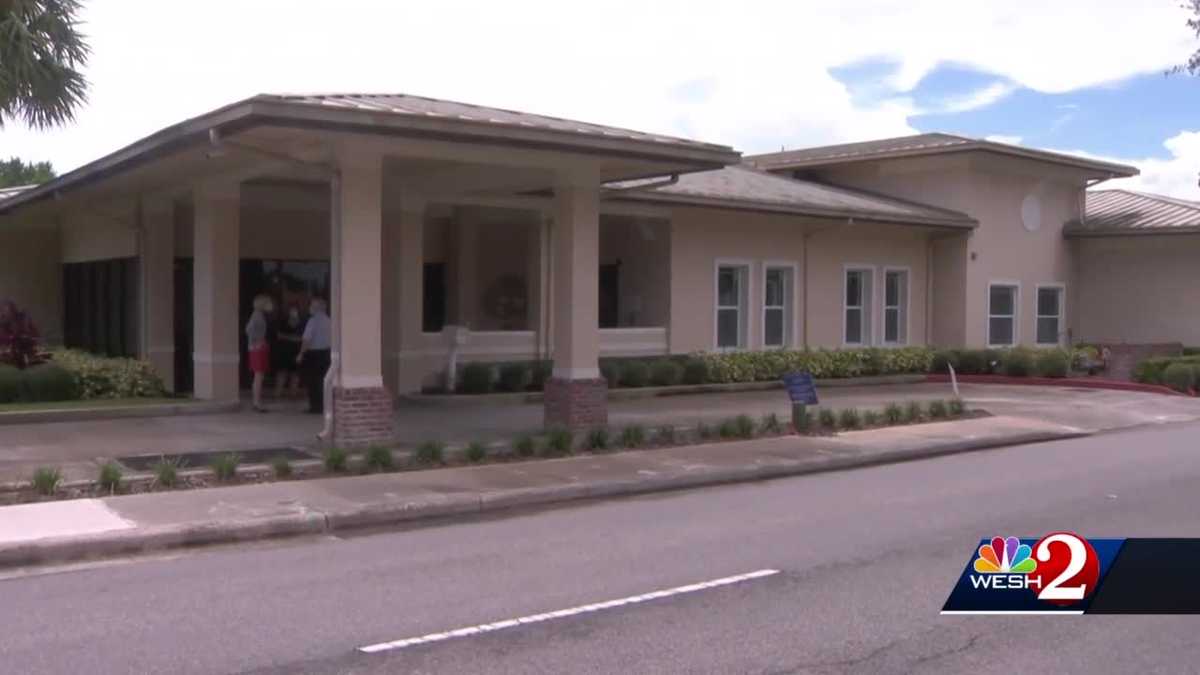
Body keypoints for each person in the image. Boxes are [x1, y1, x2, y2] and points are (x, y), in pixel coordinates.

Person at [296, 298, 332, 414]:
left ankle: (315, 407)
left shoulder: (312, 321)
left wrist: (301, 354)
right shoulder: (329, 321)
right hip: (326, 353)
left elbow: (307, 339)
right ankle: (323, 406)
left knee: (312, 381)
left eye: (311, 305)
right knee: (323, 381)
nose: (309, 308)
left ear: (316, 308)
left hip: (314, 355)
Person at [245, 294, 274, 413]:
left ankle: (257, 401)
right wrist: (257, 342)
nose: (271, 305)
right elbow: (249, 330)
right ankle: (257, 402)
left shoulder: (258, 315)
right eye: (268, 303)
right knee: (259, 376)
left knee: (259, 376)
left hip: (257, 347)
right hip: (258, 349)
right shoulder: (257, 316)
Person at [273, 306, 304, 400]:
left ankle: (293, 393)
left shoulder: (302, 323)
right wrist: (292, 338)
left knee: (295, 373)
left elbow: (303, 337)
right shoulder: (283, 322)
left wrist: (290, 338)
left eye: (295, 311)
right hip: (284, 352)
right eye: (292, 311)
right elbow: (278, 335)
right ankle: (278, 393)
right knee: (282, 372)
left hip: (296, 351)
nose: (293, 313)